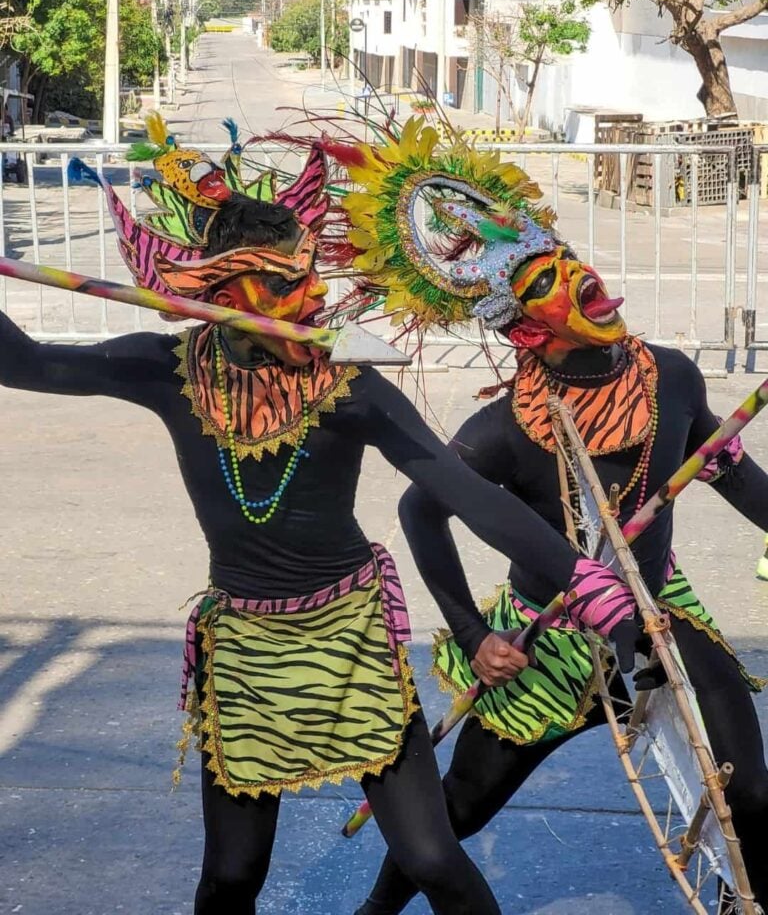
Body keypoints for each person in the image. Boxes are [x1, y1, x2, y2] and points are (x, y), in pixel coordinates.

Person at [0, 118, 635, 915]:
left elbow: (459, 489)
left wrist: (581, 577)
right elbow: (23, 362)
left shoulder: (351, 385)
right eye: (284, 286)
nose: (312, 300)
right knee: (231, 878)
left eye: (312, 280)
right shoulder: (164, 369)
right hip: (246, 654)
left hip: (351, 644)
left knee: (432, 857)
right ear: (221, 296)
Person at [335, 118, 768, 915]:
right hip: (549, 639)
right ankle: (372, 913)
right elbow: (418, 511)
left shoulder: (670, 377)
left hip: (661, 611)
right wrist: (474, 635)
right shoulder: (506, 430)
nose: (578, 279)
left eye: (569, 263)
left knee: (750, 794)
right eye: (544, 282)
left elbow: (730, 474)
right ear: (529, 327)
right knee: (456, 811)